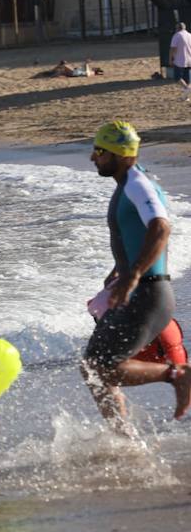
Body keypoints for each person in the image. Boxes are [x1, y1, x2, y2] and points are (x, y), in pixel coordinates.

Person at [80, 122, 191, 430]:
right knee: (94, 365)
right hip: (141, 288)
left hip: (148, 292)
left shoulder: (137, 183)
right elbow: (140, 232)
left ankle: (178, 374)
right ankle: (122, 435)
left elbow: (161, 227)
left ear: (119, 153)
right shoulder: (128, 183)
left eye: (99, 152)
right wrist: (121, 269)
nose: (94, 158)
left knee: (101, 366)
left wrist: (133, 275)